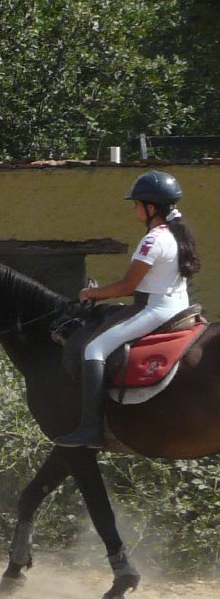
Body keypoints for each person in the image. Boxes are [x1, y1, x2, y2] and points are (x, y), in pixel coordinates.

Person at [55, 170, 201, 448]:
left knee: (93, 349)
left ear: (150, 207)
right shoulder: (176, 233)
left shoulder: (153, 240)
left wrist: (92, 293)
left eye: (136, 205)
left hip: (157, 309)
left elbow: (127, 287)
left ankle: (90, 429)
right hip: (179, 305)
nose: (135, 209)